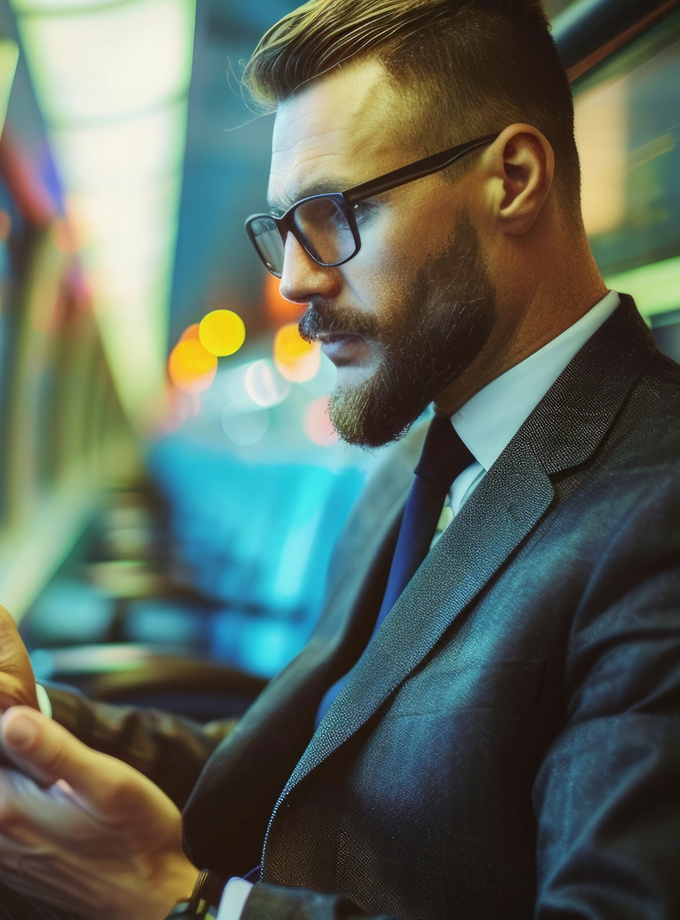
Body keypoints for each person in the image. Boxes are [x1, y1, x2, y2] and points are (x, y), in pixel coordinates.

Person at [0, 0, 679, 918]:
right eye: (282, 227)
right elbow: (297, 766)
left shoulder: (656, 513)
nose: (293, 280)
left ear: (514, 179)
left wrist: (188, 904)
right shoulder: (414, 468)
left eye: (333, 213)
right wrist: (31, 721)